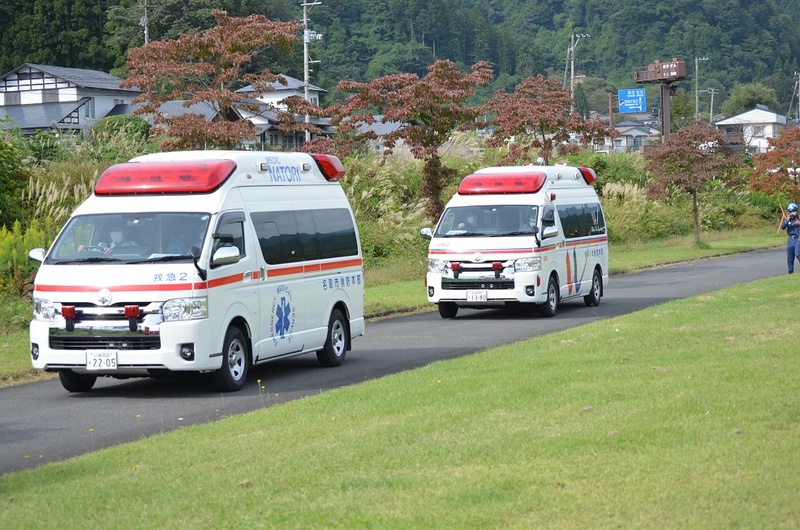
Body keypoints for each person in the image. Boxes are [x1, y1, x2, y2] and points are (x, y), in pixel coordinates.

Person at [781, 202, 800, 274]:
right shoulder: (788, 220)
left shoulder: (798, 219)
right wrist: (787, 220)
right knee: (790, 257)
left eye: (793, 211)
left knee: (798, 254)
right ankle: (790, 271)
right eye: (791, 212)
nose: (792, 213)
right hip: (790, 239)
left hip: (798, 238)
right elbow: (783, 227)